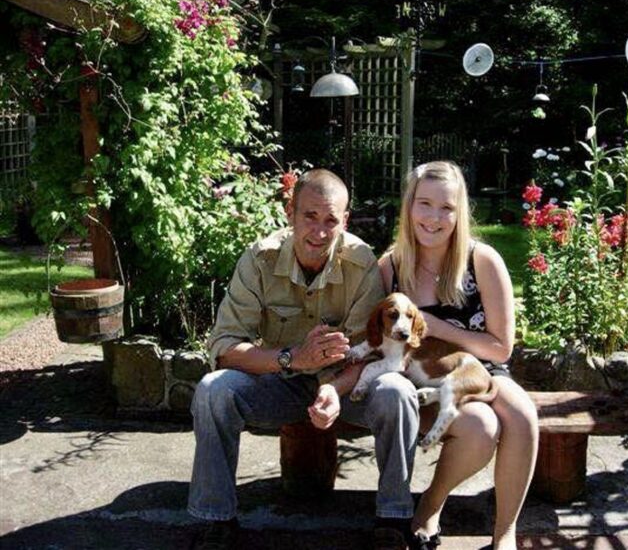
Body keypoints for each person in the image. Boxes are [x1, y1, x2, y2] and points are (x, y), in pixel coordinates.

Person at [188, 169, 420, 550]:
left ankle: (393, 518)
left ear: (344, 221)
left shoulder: (362, 264)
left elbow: (372, 351)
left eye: (331, 220)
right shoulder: (259, 259)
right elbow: (225, 348)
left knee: (397, 391)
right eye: (309, 216)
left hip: (346, 386)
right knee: (214, 390)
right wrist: (291, 358)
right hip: (280, 380)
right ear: (290, 211)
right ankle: (215, 521)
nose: (320, 230)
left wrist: (332, 388)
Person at [381, 161, 539, 550]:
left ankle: (504, 533)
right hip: (420, 378)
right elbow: (380, 335)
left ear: (460, 212)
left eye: (447, 208)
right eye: (424, 204)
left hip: (482, 368)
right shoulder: (391, 266)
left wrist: (438, 327)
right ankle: (430, 507)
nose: (434, 218)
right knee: (481, 428)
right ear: (409, 207)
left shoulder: (482, 260)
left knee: (522, 414)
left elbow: (501, 346)